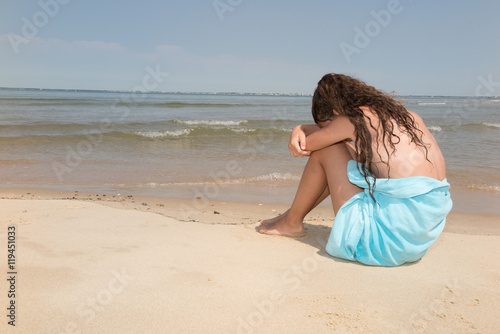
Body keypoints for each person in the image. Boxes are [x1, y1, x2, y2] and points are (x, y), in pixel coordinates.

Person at [257, 73, 452, 266]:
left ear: (334, 110)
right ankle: (291, 216)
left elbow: (306, 146)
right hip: (417, 241)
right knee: (347, 151)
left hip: (385, 243)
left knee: (328, 149)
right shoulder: (408, 117)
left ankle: (291, 223)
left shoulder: (355, 118)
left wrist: (299, 128)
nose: (331, 130)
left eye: (327, 125)